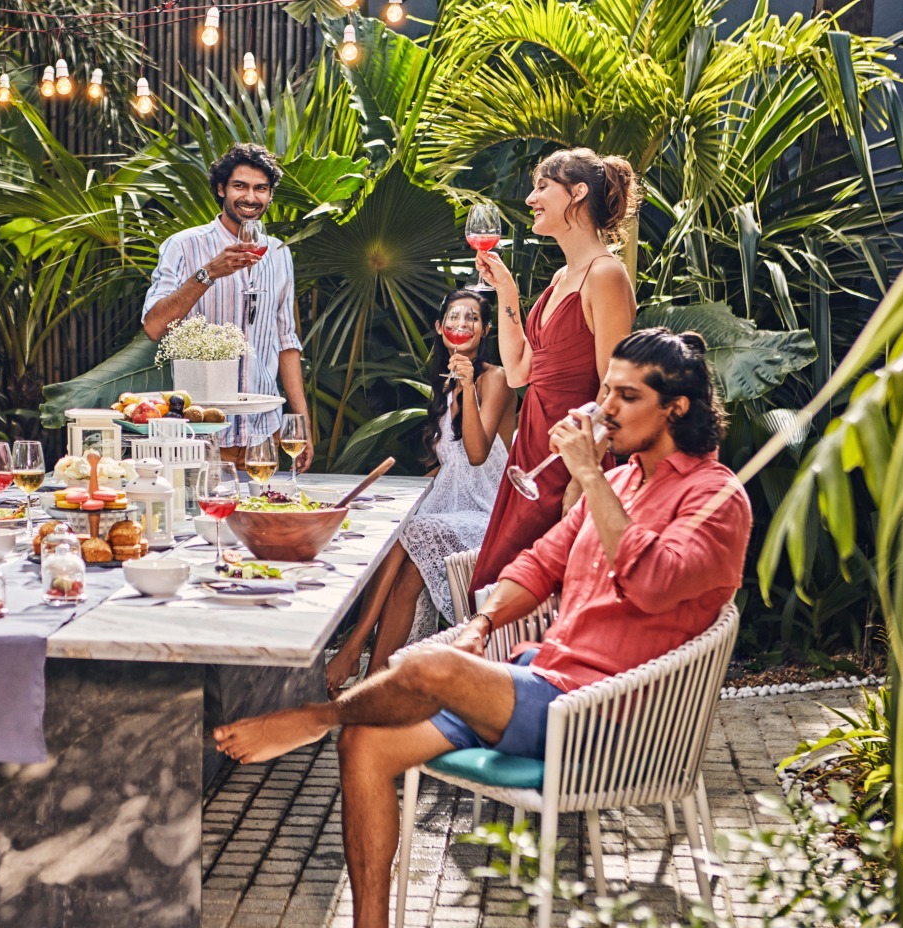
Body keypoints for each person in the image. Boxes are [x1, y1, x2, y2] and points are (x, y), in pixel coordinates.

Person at [214, 329, 752, 928]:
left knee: (425, 665)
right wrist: (481, 622)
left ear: (676, 407)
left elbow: (652, 579)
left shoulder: (716, 497)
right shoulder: (627, 481)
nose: (604, 408)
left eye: (625, 396)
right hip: (543, 685)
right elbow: (540, 562)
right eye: (605, 390)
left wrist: (590, 478)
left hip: (607, 721)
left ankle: (311, 718)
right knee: (366, 744)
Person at [468, 147, 639, 596]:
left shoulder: (605, 275)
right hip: (530, 456)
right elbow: (520, 370)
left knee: (535, 593)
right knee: (499, 584)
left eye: (543, 186)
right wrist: (505, 288)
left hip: (568, 461)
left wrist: (584, 480)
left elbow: (613, 387)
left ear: (578, 193)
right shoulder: (562, 277)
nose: (530, 199)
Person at [325, 290, 516, 692]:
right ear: (439, 328)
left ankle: (356, 647)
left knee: (413, 532)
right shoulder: (443, 384)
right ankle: (376, 681)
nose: (461, 325)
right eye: (454, 318)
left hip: (489, 512)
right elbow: (449, 467)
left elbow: (478, 456)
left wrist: (467, 388)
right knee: (407, 560)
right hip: (451, 506)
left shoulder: (494, 378)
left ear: (484, 330)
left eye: (472, 319)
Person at [141, 142, 312, 469]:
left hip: (263, 435)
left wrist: (300, 422)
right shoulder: (184, 245)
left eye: (261, 188)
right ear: (221, 189)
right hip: (199, 435)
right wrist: (209, 273)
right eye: (240, 186)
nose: (251, 197)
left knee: (263, 517)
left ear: (270, 196)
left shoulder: (278, 253)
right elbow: (153, 326)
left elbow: (286, 342)